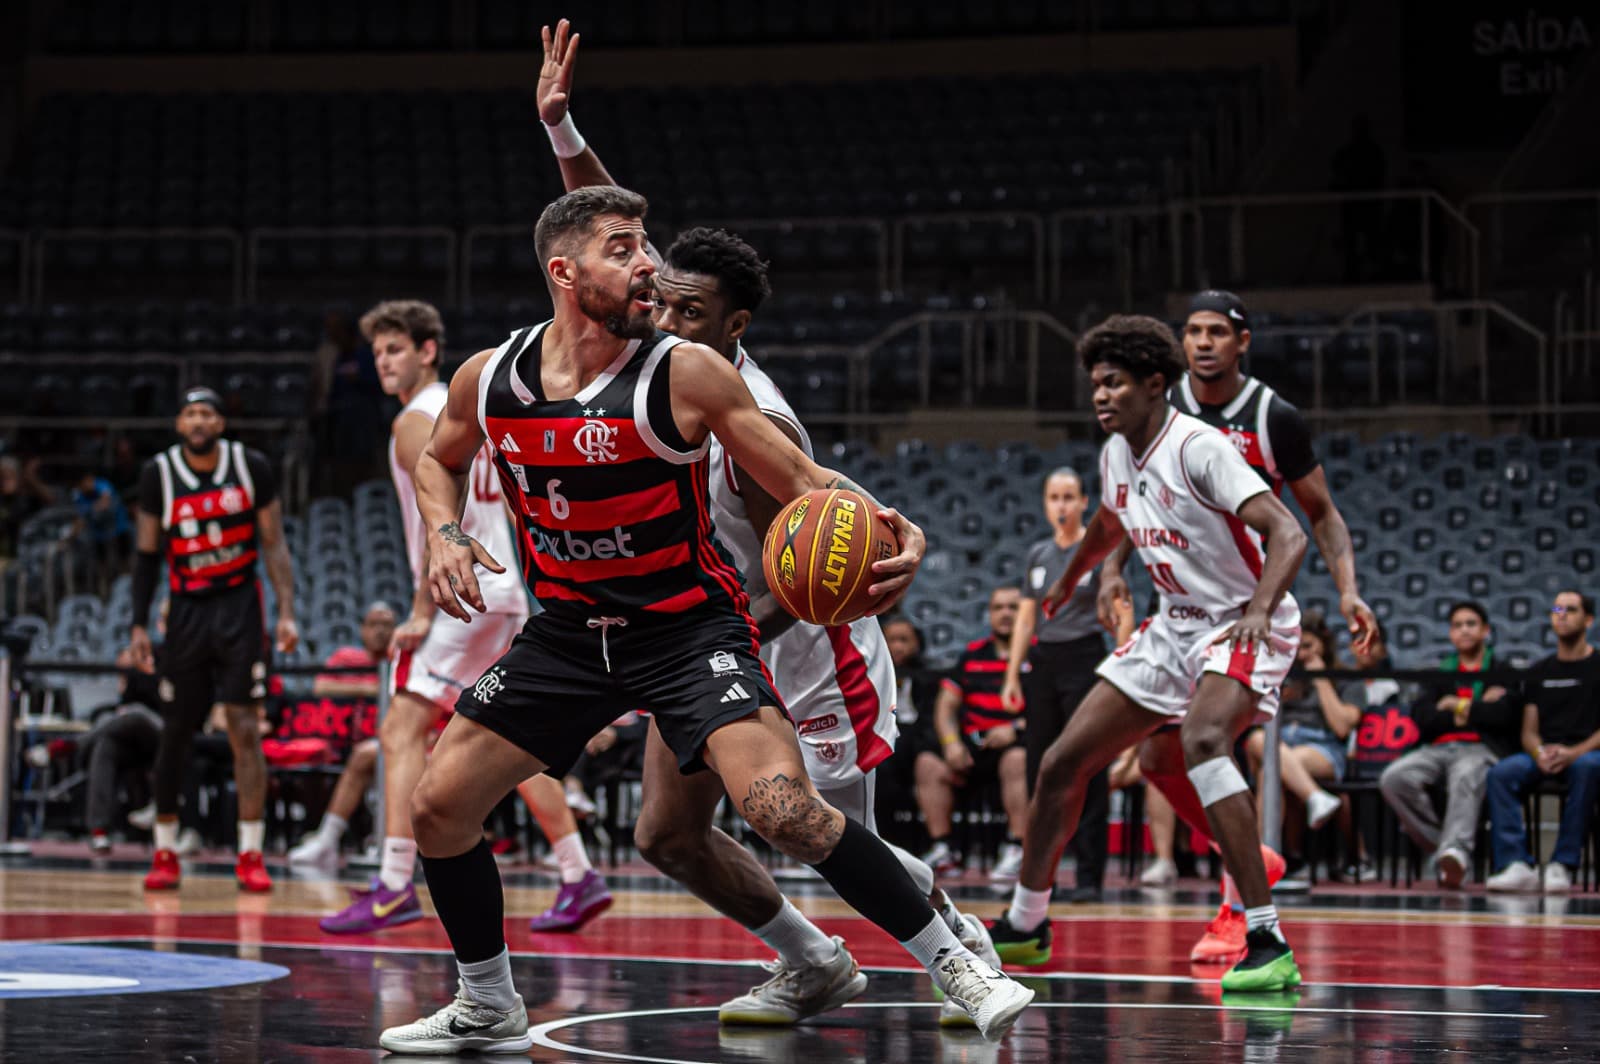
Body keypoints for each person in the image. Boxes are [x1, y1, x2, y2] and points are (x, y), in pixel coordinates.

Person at [376, 184, 1030, 1055]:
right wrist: (446, 535)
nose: (646, 263)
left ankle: (960, 963)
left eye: (647, 245)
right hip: (570, 633)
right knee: (437, 806)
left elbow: (803, 480)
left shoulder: (686, 372)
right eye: (624, 248)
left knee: (779, 808)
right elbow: (437, 461)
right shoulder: (492, 376)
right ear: (566, 273)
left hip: (688, 628)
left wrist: (891, 520)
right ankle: (487, 1001)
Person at [533, 26, 1004, 1028]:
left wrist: (885, 534)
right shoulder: (660, 353)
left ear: (734, 324)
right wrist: (563, 126)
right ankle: (812, 960)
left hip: (801, 639)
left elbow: (808, 559)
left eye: (690, 311)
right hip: (704, 631)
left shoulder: (751, 412)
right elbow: (617, 236)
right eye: (662, 302)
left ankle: (965, 947)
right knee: (668, 832)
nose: (664, 315)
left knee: (819, 828)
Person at [985, 314, 1307, 994]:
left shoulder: (1201, 447)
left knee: (1205, 738)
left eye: (1115, 384)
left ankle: (1267, 938)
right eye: (1096, 385)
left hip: (1247, 620)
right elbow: (1110, 521)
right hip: (1175, 626)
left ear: (1155, 384)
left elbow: (1289, 533)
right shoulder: (1114, 454)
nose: (1101, 396)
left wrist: (1256, 610)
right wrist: (1079, 576)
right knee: (1063, 760)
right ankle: (1026, 923)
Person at [1099, 289, 1376, 963]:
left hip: (1246, 609)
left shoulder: (1271, 416)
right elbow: (1136, 501)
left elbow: (1321, 515)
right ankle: (1251, 860)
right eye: (1192, 330)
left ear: (1241, 341)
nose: (1203, 342)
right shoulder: (1157, 405)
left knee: (1210, 742)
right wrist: (1113, 567)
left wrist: (1348, 593)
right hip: (1179, 613)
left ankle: (1242, 908)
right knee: (1160, 757)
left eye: (1217, 331)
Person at [317, 300, 610, 936]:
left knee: (399, 729)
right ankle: (578, 871)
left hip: (460, 592)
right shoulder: (465, 408)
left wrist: (423, 609)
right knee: (503, 740)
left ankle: (394, 883)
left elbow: (437, 518)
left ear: (427, 350)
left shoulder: (412, 423)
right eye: (377, 353)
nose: (383, 362)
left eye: (395, 349)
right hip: (496, 590)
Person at [126, 386, 299, 892]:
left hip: (240, 608)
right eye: (189, 413)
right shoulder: (159, 473)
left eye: (206, 413)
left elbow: (274, 544)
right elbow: (145, 555)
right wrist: (139, 624)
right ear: (180, 424)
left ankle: (250, 852)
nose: (198, 420)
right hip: (185, 611)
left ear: (220, 424)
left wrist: (286, 611)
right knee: (175, 732)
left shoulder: (251, 468)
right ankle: (164, 848)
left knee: (246, 729)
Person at [1000, 468, 1134, 899]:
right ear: (1045, 502)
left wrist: (1123, 664)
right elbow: (1025, 617)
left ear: (1082, 503)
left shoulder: (1097, 551)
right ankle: (1041, 877)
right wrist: (1012, 674)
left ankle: (1090, 876)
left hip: (1086, 658)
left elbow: (1121, 611)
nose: (1061, 505)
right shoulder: (1038, 555)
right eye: (1054, 497)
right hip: (1045, 661)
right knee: (1040, 767)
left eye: (1068, 497)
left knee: (1085, 764)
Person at [1379, 601, 1520, 889]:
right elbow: (1424, 718)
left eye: (1471, 624)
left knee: (1467, 774)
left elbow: (1505, 717)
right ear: (1450, 633)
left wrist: (1455, 706)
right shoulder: (1440, 673)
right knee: (1394, 778)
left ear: (1485, 630)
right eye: (1457, 625)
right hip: (1437, 749)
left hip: (1481, 749)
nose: (1464, 630)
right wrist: (1477, 709)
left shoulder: (1502, 671)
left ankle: (1456, 850)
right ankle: (1445, 850)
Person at [1485, 591, 1600, 893]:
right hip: (1545, 753)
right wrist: (1538, 753)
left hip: (1587, 752)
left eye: (1570, 609)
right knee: (1502, 773)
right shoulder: (1539, 672)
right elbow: (1529, 731)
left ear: (1588, 619)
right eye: (1556, 609)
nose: (1561, 615)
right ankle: (1516, 864)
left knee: (1588, 767)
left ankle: (1563, 864)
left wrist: (1573, 753)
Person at [918, 587, 1032, 883]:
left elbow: (1053, 710)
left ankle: (1017, 848)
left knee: (1017, 760)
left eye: (1013, 608)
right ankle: (945, 851)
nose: (1005, 614)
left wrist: (1015, 727)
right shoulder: (972, 655)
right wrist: (952, 744)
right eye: (998, 608)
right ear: (990, 614)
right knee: (929, 765)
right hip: (973, 749)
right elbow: (945, 706)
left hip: (1018, 745)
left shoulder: (1039, 655)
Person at [1241, 615, 1351, 889]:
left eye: (1310, 646)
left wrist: (1321, 679)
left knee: (1273, 766)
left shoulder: (1345, 678)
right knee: (1259, 742)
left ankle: (1261, 862)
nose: (1302, 654)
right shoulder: (1284, 677)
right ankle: (1315, 798)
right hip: (1282, 745)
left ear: (1324, 645)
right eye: (1298, 647)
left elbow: (1341, 727)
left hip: (1322, 748)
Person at [288, 601, 396, 867]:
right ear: (362, 630)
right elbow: (322, 686)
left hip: (398, 743)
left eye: (387, 625)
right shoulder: (348, 657)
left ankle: (343, 840)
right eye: (374, 624)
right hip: (345, 742)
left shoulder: (404, 660)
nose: (380, 631)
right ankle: (327, 839)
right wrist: (375, 689)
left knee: (369, 756)